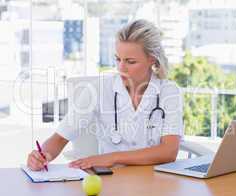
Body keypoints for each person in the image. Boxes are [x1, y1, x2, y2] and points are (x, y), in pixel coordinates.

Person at [27, 19, 183, 171]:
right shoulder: (98, 89)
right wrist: (42, 156)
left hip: (154, 181)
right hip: (111, 181)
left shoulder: (169, 92)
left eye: (130, 61)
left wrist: (112, 157)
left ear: (152, 60)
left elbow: (169, 152)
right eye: (118, 59)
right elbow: (60, 138)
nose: (121, 68)